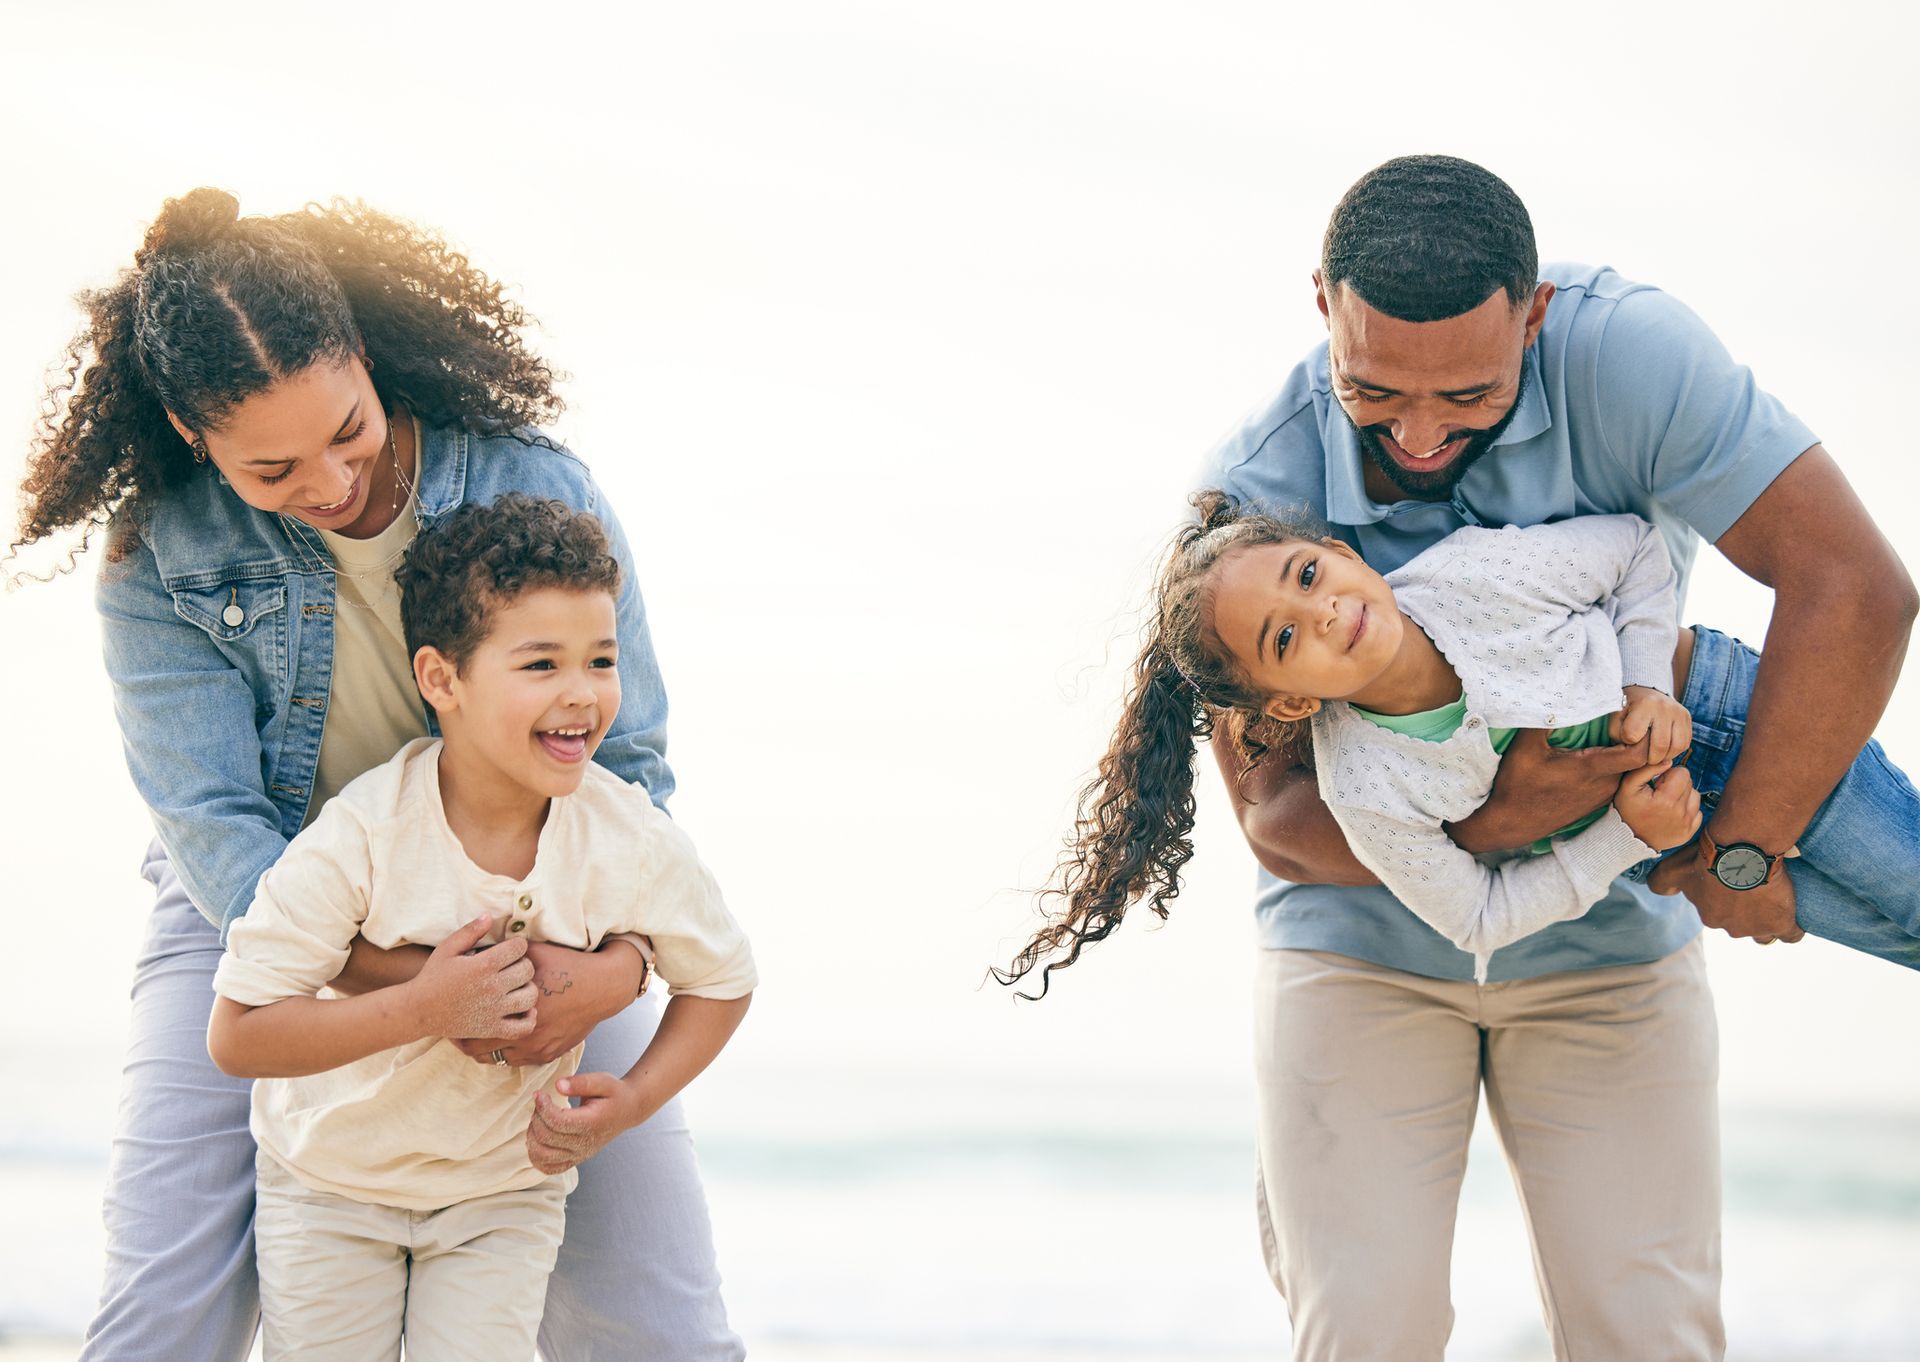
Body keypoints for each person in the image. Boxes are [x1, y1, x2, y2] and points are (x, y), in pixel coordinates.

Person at [1020, 155, 1917, 1359]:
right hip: (1363, 962)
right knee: (1367, 1331)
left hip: (1610, 945)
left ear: (1535, 315)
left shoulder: (1629, 361)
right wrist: (1501, 822)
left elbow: (1854, 586)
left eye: (1470, 397)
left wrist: (1739, 853)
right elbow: (1277, 818)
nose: (1425, 434)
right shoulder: (1253, 507)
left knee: (1647, 1332)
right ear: (1324, 310)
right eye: (1377, 393)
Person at [11, 188, 746, 1361]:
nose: (331, 482)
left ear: (359, 351)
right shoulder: (158, 552)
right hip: (254, 907)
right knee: (165, 1305)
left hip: (527, 905)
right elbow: (216, 828)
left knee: (651, 1309)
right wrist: (408, 992)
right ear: (188, 430)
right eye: (274, 468)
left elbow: (630, 770)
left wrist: (607, 971)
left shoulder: (537, 486)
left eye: (346, 432)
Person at [207, 494, 756, 1360]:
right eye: (541, 664)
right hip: (328, 1188)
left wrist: (635, 1101)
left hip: (503, 1195)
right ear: (441, 679)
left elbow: (722, 978)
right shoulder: (366, 831)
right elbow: (238, 1035)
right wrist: (427, 1008)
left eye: (602, 660)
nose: (582, 694)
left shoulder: (627, 836)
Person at [999, 497, 1920, 1003]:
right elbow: (1477, 919)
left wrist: (1645, 681)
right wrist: (1627, 841)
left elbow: (1638, 550)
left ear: (1334, 552)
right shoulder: (1368, 791)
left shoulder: (1478, 574)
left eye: (1308, 575)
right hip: (1662, 842)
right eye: (1285, 639)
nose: (1320, 611)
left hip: (1728, 715)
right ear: (1286, 699)